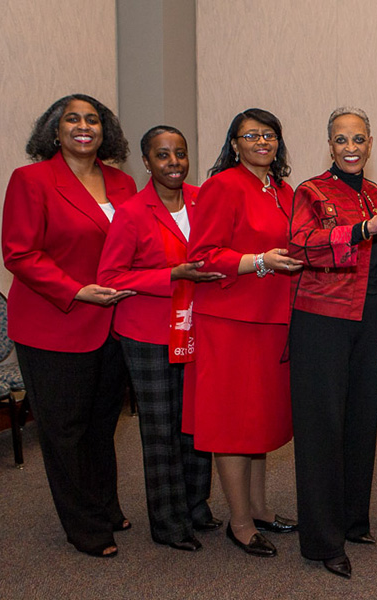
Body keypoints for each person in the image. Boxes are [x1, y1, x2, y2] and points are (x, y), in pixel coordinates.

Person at [2, 94, 136, 557]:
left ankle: (105, 504)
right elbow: (19, 254)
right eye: (72, 119)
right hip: (52, 324)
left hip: (111, 324)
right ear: (54, 131)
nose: (84, 126)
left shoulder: (123, 182)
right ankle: (85, 528)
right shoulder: (31, 180)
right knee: (65, 430)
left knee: (102, 424)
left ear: (105, 130)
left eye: (93, 119)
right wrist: (76, 290)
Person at [287, 107, 377, 578]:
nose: (351, 148)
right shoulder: (311, 191)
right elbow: (300, 244)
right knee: (321, 430)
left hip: (366, 321)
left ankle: (353, 520)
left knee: (362, 422)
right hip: (322, 321)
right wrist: (359, 231)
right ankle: (322, 540)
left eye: (359, 139)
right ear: (330, 145)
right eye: (342, 140)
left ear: (371, 143)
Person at [97, 126, 225, 552]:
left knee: (194, 422)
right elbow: (111, 278)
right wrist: (172, 274)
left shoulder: (201, 198)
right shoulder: (132, 212)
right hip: (148, 333)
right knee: (161, 428)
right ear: (147, 162)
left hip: (195, 328)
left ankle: (196, 506)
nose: (174, 163)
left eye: (180, 154)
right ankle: (169, 523)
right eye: (163, 156)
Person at [184, 108, 304, 558]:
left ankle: (259, 508)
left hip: (273, 320)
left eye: (269, 134)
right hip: (230, 323)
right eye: (250, 135)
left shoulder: (284, 190)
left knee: (260, 420)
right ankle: (238, 522)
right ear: (234, 143)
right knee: (233, 424)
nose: (261, 141)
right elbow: (203, 256)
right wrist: (258, 262)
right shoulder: (223, 185)